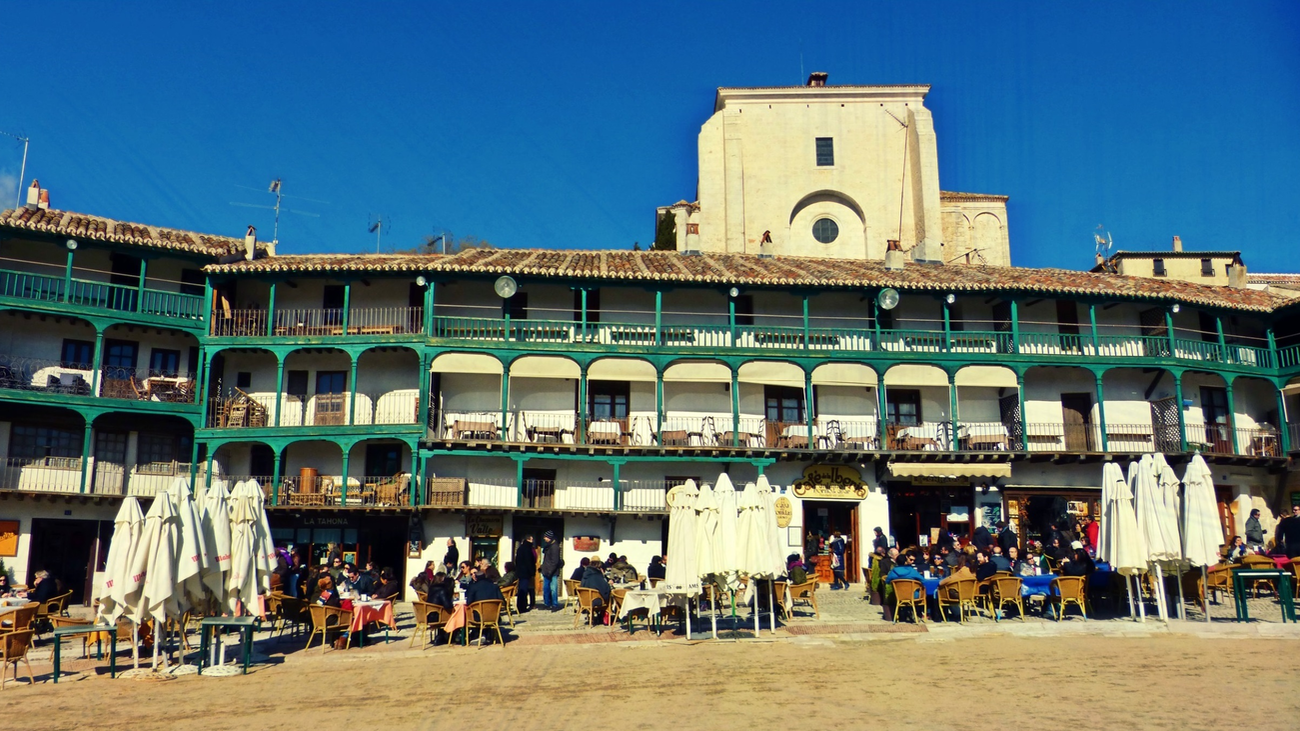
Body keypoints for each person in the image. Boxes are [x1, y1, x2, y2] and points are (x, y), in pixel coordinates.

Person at [539, 530, 564, 611]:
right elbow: (546, 560)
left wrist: (550, 571)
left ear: (549, 538)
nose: (544, 538)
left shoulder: (554, 547)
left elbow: (555, 561)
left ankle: (554, 604)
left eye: (545, 537)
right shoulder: (548, 546)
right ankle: (547, 603)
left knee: (553, 589)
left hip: (552, 572)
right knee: (546, 588)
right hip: (546, 571)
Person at [514, 535, 538, 613]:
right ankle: (522, 607)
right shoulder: (528, 549)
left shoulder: (520, 548)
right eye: (532, 539)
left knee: (521, 590)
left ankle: (520, 606)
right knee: (523, 590)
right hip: (526, 573)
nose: (533, 541)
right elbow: (529, 562)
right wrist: (532, 572)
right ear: (529, 540)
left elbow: (517, 561)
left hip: (521, 572)